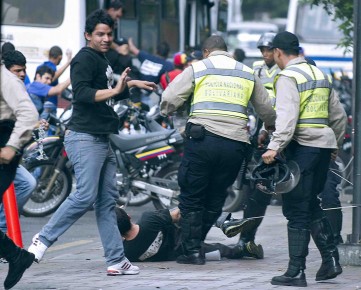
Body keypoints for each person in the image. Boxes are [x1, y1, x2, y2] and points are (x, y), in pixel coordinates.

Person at [27, 9, 157, 276]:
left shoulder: (102, 59)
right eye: (100, 34)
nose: (106, 38)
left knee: (107, 202)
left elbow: (109, 94)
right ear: (88, 35)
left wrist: (132, 85)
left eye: (109, 34)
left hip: (101, 138)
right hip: (85, 137)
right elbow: (84, 94)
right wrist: (118, 88)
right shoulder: (85, 59)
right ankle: (42, 240)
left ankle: (116, 260)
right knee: (85, 195)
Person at [160, 35, 276, 265]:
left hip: (203, 141)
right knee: (215, 198)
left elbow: (169, 98)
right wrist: (270, 127)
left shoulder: (199, 67)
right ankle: (193, 245)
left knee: (192, 196)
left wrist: (169, 112)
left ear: (206, 52)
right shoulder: (246, 71)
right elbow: (267, 110)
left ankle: (191, 250)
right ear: (227, 51)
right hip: (235, 145)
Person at [260, 31, 346, 286]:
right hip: (322, 147)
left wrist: (274, 147)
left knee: (296, 209)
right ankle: (330, 261)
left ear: (277, 52)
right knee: (311, 205)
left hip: (303, 148)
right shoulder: (319, 73)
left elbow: (286, 118)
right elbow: (338, 116)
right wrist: (334, 145)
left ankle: (296, 271)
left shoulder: (288, 77)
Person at [230, 32, 281, 258]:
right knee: (256, 190)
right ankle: (246, 240)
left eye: (268, 50)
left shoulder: (285, 70)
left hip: (281, 134)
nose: (265, 54)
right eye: (262, 50)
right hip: (261, 137)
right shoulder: (257, 70)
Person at [0, 63, 38, 289]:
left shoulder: (6, 79)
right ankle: (17, 256)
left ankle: (16, 256)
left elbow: (29, 113)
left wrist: (11, 147)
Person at [115, 207, 261, 262]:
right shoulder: (148, 219)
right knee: (189, 210)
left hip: (183, 253)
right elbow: (176, 215)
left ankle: (243, 249)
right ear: (128, 216)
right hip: (186, 233)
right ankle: (223, 221)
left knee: (219, 252)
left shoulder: (128, 253)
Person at [128, 38, 173, 107]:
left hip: (134, 91)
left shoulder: (146, 56)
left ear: (156, 51)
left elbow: (132, 48)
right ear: (167, 54)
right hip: (148, 95)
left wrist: (130, 39)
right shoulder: (168, 65)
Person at [36, 45, 73, 109]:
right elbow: (54, 77)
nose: (49, 81)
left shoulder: (39, 67)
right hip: (49, 104)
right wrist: (68, 62)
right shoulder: (52, 68)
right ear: (60, 57)